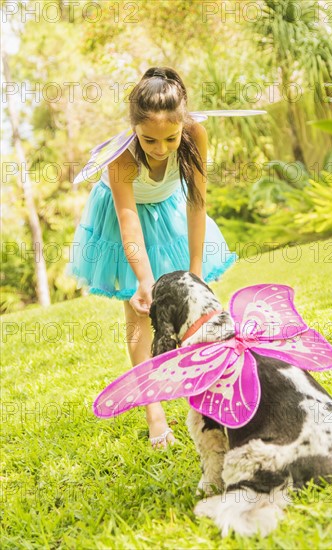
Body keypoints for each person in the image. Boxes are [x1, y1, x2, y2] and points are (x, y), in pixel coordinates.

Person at [66, 66, 237, 449]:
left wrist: (196, 273)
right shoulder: (122, 156)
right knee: (139, 315)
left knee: (197, 310)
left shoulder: (195, 135)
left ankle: (209, 395)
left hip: (171, 209)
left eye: (169, 138)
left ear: (182, 125)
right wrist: (144, 280)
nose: (160, 149)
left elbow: (197, 204)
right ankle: (155, 414)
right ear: (134, 130)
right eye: (149, 140)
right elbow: (129, 225)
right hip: (124, 220)